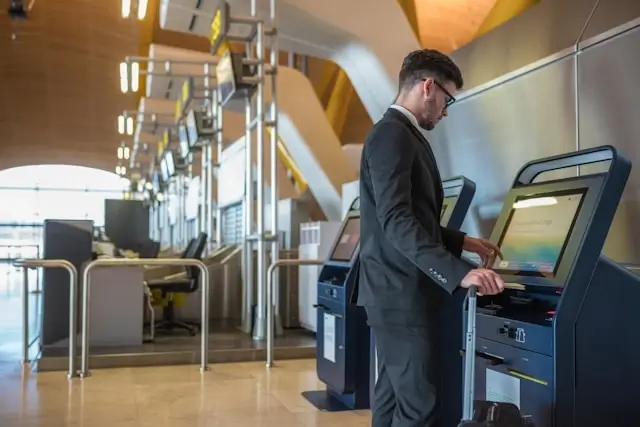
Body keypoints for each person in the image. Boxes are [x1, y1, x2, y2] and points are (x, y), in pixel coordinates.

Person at [357, 49, 506, 427]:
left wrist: (462, 243)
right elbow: (396, 221)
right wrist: (459, 273)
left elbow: (409, 216)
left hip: (393, 291)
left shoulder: (398, 133)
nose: (445, 110)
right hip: (400, 294)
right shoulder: (392, 135)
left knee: (392, 400)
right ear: (428, 87)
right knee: (419, 406)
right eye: (447, 98)